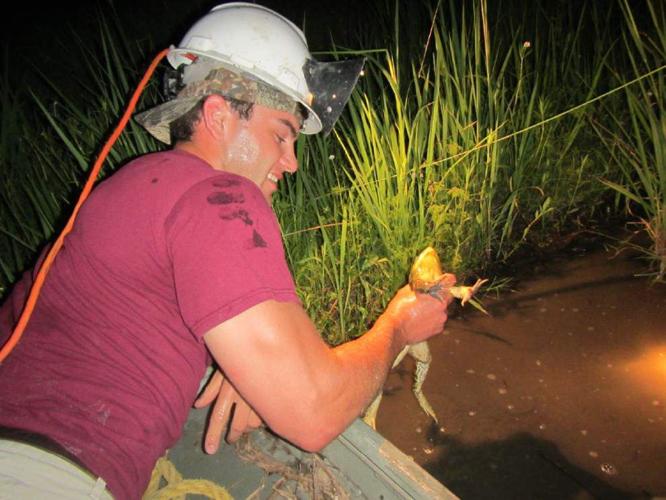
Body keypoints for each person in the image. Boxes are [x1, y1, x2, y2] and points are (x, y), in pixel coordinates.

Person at [0, 3, 455, 499]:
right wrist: (397, 328)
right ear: (217, 116)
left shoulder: (131, 185)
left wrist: (240, 364)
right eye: (281, 134)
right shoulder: (216, 195)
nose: (291, 162)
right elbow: (313, 412)